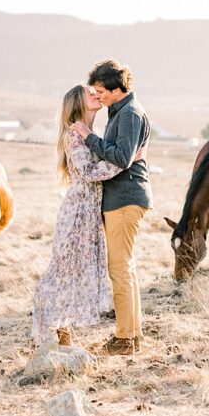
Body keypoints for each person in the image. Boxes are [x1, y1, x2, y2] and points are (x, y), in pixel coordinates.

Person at [31, 85, 143, 348]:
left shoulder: (90, 133)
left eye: (96, 91)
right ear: (78, 103)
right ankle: (55, 328)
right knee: (65, 269)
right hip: (77, 211)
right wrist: (124, 161)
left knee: (78, 270)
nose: (95, 94)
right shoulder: (74, 134)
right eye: (89, 93)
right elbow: (88, 171)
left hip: (90, 212)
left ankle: (64, 331)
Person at [70, 59, 152, 356]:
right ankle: (133, 335)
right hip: (123, 198)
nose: (98, 95)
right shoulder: (122, 112)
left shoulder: (129, 113)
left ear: (116, 88)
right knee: (125, 269)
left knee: (119, 269)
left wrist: (88, 136)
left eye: (101, 90)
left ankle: (124, 339)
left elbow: (121, 158)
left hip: (125, 199)